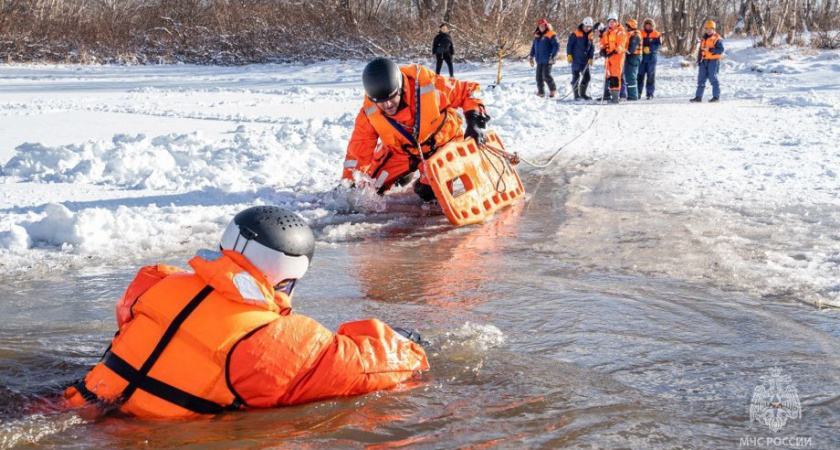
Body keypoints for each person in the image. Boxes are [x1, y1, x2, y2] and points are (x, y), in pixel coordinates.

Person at [64, 206, 429, 419]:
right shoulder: (272, 339)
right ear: (288, 276)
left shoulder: (155, 283)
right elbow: (365, 366)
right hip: (155, 436)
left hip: (77, 408)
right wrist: (407, 344)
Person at [341, 57, 489, 201]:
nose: (387, 105)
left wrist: (475, 122)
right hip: (403, 153)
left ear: (400, 88)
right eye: (380, 101)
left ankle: (447, 172)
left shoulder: (429, 85)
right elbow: (358, 149)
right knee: (368, 189)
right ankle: (403, 174)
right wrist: (349, 183)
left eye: (391, 97)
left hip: (441, 146)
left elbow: (469, 91)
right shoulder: (369, 112)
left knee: (429, 193)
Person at [691, 21, 724, 103]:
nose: (709, 30)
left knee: (713, 78)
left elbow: (720, 50)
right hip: (704, 61)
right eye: (707, 29)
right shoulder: (703, 38)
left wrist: (710, 49)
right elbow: (700, 50)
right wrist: (698, 60)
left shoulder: (717, 39)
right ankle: (698, 97)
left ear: (714, 29)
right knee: (701, 79)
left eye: (711, 29)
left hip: (713, 61)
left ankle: (716, 97)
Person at [599, 12, 627, 104]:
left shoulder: (621, 32)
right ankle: (611, 95)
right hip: (608, 58)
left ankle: (615, 98)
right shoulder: (606, 32)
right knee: (609, 76)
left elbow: (621, 45)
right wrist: (602, 50)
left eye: (613, 21)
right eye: (610, 21)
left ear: (616, 21)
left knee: (616, 76)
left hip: (617, 57)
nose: (611, 23)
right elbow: (602, 43)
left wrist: (613, 52)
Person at [566, 16, 595, 100]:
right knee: (576, 76)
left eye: (589, 26)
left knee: (587, 77)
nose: (588, 28)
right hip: (576, 59)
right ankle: (576, 95)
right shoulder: (575, 34)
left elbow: (591, 48)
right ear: (583, 25)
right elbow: (569, 45)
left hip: (585, 60)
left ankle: (583, 94)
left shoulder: (590, 35)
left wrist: (591, 58)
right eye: (586, 26)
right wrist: (569, 55)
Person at [529, 19, 560, 98]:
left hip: (548, 59)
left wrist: (553, 56)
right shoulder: (537, 36)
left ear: (546, 26)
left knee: (546, 75)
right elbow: (533, 47)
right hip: (539, 59)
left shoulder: (551, 34)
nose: (541, 27)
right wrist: (531, 56)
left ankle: (552, 90)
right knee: (538, 77)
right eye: (540, 26)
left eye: (543, 26)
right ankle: (541, 92)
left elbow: (556, 46)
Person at [638, 18, 662, 100]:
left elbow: (659, 45)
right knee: (640, 76)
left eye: (649, 24)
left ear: (652, 25)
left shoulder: (657, 34)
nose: (647, 26)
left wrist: (650, 48)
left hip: (652, 58)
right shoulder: (640, 33)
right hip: (642, 57)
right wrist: (643, 48)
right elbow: (637, 43)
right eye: (646, 24)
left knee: (651, 76)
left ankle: (650, 94)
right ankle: (638, 92)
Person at [622, 19, 643, 101]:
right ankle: (632, 94)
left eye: (627, 26)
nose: (626, 27)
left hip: (634, 57)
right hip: (631, 57)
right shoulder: (630, 34)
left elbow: (631, 49)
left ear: (631, 26)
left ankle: (633, 95)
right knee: (629, 76)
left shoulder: (636, 35)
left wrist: (623, 51)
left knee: (631, 76)